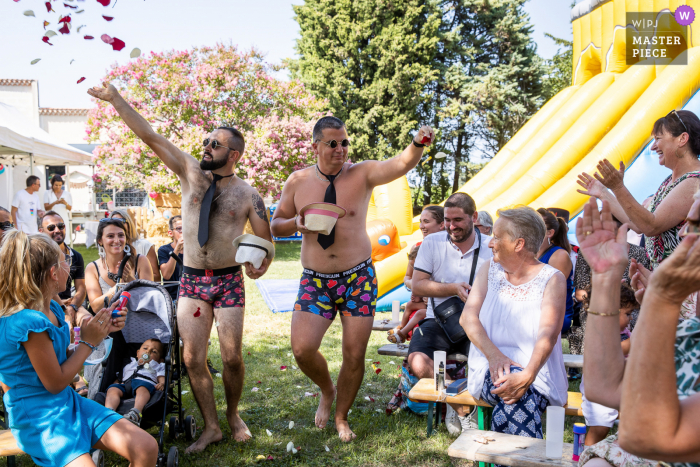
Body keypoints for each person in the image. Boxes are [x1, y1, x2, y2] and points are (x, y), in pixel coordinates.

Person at [88, 83, 273, 452]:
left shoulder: (249, 194)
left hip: (228, 280)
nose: (206, 147)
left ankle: (234, 414)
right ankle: (211, 426)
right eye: (206, 141)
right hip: (191, 281)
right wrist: (115, 99)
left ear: (233, 154)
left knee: (233, 357)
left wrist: (261, 264)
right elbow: (150, 136)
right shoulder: (190, 173)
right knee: (191, 358)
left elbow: (266, 241)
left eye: (215, 144)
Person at [271, 115, 434, 442]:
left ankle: (342, 416)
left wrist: (418, 144)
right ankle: (327, 389)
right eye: (333, 143)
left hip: (358, 278)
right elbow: (276, 225)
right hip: (315, 280)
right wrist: (296, 224)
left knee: (354, 354)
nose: (341, 149)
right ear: (315, 145)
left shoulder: (361, 174)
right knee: (302, 350)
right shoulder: (298, 181)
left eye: (345, 142)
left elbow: (401, 164)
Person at [0, 229, 157, 466]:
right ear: (54, 273)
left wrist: (100, 332)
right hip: (40, 419)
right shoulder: (27, 322)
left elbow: (62, 360)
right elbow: (54, 382)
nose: (71, 268)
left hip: (67, 403)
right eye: (66, 263)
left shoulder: (52, 307)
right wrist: (88, 341)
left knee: (146, 447)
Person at [574, 195, 700, 466]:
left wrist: (662, 302)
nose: (681, 231)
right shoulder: (692, 330)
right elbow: (604, 388)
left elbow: (646, 437)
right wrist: (606, 278)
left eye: (695, 223)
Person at [461, 206, 568, 442]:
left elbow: (548, 334)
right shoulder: (489, 270)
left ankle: (503, 457)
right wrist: (495, 357)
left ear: (518, 244)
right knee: (511, 391)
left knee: (515, 395)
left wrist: (527, 374)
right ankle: (529, 458)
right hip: (488, 366)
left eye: (497, 237)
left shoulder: (552, 278)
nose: (490, 243)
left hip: (538, 373)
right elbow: (467, 318)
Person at [408, 192, 493, 436]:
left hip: (478, 320)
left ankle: (477, 407)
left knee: (487, 363)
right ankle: (460, 407)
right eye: (447, 220)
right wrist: (454, 288)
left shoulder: (491, 245)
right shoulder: (432, 242)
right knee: (418, 362)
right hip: (439, 320)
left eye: (458, 220)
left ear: (474, 217)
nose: (451, 226)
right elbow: (418, 285)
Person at [577, 110, 700, 272]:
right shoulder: (669, 181)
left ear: (682, 139)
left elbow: (651, 227)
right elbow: (638, 224)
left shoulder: (694, 181)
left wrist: (618, 187)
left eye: (658, 139)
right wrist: (604, 193)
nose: (653, 146)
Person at [579, 284, 636, 447]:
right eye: (628, 314)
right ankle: (587, 453)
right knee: (601, 425)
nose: (630, 318)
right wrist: (635, 342)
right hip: (598, 385)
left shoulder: (623, 331)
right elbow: (614, 353)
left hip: (622, 384)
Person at [85, 218, 153, 313]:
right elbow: (96, 307)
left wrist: (130, 279)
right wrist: (118, 286)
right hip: (107, 324)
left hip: (138, 323)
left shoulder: (141, 261)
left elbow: (150, 300)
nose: (117, 241)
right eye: (110, 236)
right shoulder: (92, 268)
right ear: (100, 240)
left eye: (121, 235)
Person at [39, 211, 90, 328]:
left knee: (88, 321)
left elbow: (81, 288)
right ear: (41, 231)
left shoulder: (75, 256)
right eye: (51, 227)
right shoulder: (38, 256)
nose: (57, 230)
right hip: (47, 304)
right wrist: (62, 307)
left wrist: (73, 307)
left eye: (61, 226)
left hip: (70, 303)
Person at [105, 338, 166, 426]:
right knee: (113, 389)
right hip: (126, 384)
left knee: (142, 388)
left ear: (160, 360)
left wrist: (162, 383)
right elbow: (120, 377)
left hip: (144, 384)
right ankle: (109, 412)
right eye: (145, 348)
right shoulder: (130, 363)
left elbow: (161, 376)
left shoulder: (157, 365)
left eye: (154, 351)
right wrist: (116, 383)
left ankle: (136, 412)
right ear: (137, 353)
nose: (148, 352)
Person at [536, 208, 574, 333]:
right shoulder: (527, 253)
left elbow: (552, 295)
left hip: (556, 315)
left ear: (549, 233)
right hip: (535, 310)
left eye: (535, 225)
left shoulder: (559, 256)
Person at [111, 209, 161, 283]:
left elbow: (157, 277)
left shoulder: (144, 245)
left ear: (129, 224)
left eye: (121, 221)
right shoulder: (109, 247)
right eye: (113, 222)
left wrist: (132, 277)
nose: (117, 225)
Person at [403, 205, 445, 290]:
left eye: (426, 222)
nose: (421, 226)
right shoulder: (416, 248)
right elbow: (408, 276)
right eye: (420, 222)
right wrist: (414, 287)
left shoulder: (451, 249)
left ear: (442, 224)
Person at [158, 215, 184, 302]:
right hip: (171, 297)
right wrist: (177, 249)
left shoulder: (193, 250)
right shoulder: (164, 250)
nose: (183, 231)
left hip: (190, 295)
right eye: (179, 229)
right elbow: (166, 275)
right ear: (170, 233)